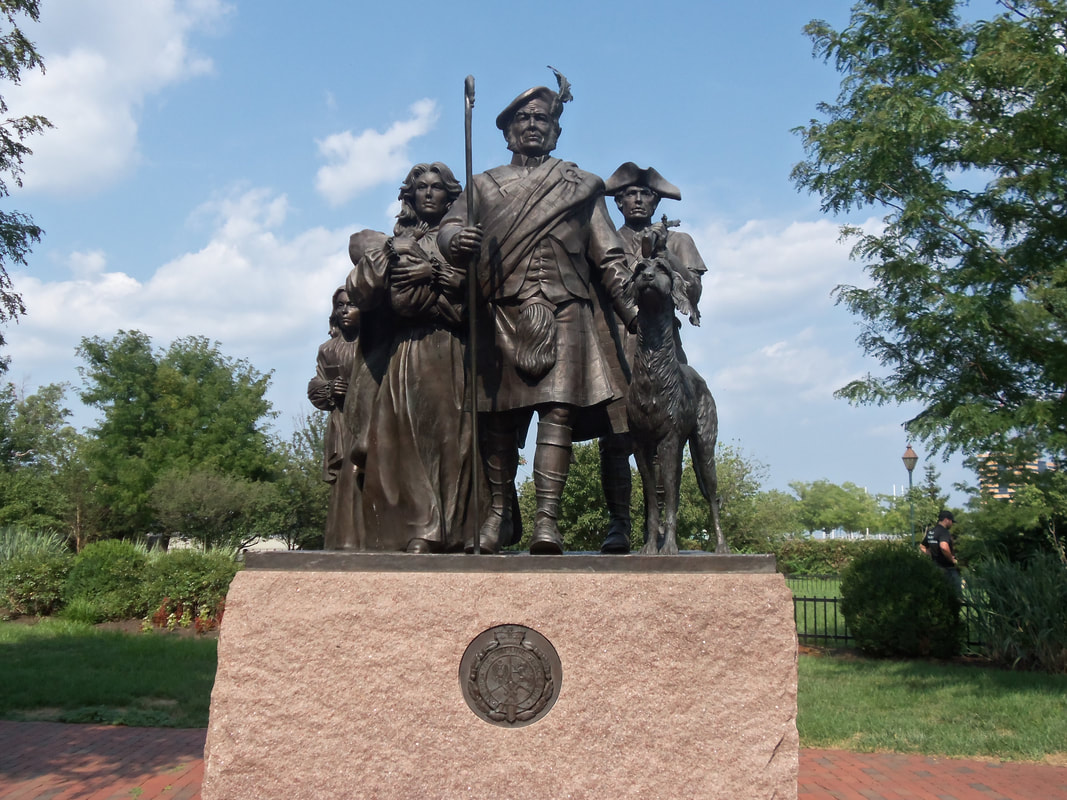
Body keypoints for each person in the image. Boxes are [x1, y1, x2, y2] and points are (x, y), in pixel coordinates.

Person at [438, 74, 636, 555]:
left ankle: (547, 521)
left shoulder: (582, 186)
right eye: (523, 118)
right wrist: (454, 241)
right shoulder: (482, 186)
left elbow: (607, 254)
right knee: (498, 419)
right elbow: (448, 229)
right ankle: (499, 513)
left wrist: (634, 308)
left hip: (566, 306)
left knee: (558, 413)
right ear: (506, 131)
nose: (533, 125)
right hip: (502, 309)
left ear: (556, 130)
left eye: (542, 118)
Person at [346, 162, 479, 553]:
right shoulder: (397, 240)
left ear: (451, 196)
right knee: (405, 442)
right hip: (407, 351)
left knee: (454, 441)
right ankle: (419, 527)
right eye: (420, 187)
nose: (428, 193)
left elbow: (478, 293)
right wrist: (390, 250)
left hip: (454, 349)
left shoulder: (461, 241)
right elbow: (361, 291)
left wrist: (435, 272)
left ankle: (456, 530)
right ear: (409, 196)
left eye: (438, 188)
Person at [594, 163, 709, 554]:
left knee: (666, 442)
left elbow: (692, 295)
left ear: (656, 200)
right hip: (613, 350)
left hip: (661, 351)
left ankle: (660, 529)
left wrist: (663, 255)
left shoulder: (679, 241)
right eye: (628, 194)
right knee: (615, 440)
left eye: (645, 193)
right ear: (618, 201)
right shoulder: (603, 239)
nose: (637, 199)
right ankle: (619, 525)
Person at [307, 287, 363, 549]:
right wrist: (330, 389)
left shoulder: (373, 344)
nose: (345, 310)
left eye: (351, 304)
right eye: (340, 305)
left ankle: (369, 541)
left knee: (363, 478)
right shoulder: (327, 350)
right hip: (340, 424)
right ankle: (342, 543)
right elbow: (315, 385)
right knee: (343, 484)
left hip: (369, 421)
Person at [922, 510, 961, 594]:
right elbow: (944, 547)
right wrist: (952, 559)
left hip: (935, 566)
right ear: (946, 520)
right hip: (947, 568)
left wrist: (932, 555)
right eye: (951, 521)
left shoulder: (931, 532)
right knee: (956, 595)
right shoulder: (944, 532)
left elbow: (922, 546)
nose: (952, 524)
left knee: (940, 594)